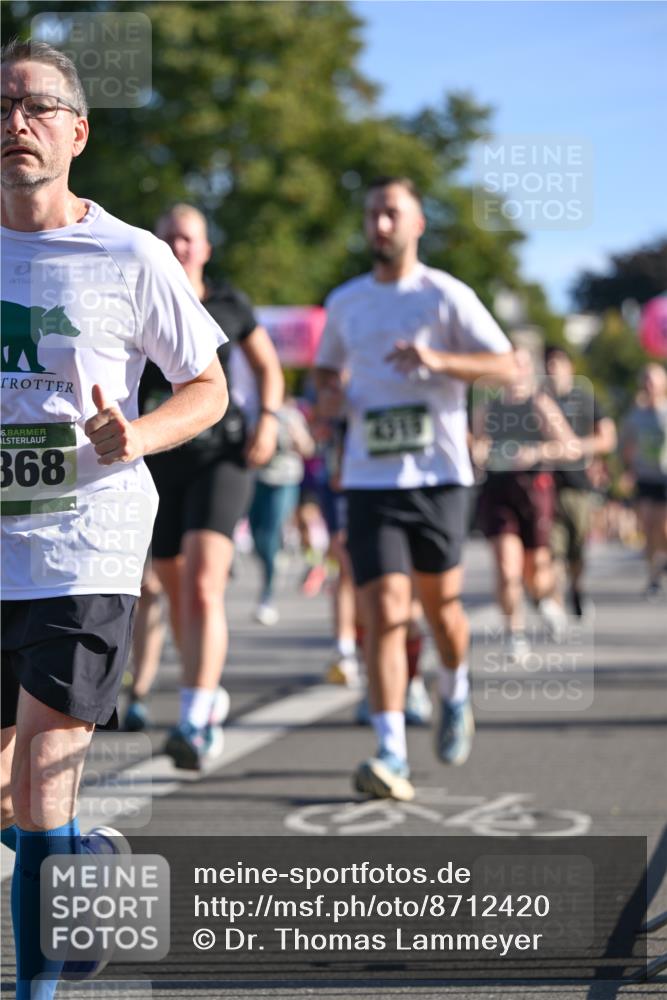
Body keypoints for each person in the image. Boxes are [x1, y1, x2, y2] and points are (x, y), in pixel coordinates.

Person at [0, 39, 228, 998]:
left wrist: (132, 434)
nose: (16, 121)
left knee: (42, 774)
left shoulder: (131, 256)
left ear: (78, 132)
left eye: (38, 106)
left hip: (82, 548)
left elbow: (208, 387)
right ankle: (87, 868)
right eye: (2, 105)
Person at [315, 176, 516, 801]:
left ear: (417, 223)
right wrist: (329, 398)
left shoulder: (445, 295)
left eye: (391, 213)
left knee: (442, 612)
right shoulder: (346, 301)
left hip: (438, 477)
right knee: (382, 615)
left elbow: (507, 364)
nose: (380, 225)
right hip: (372, 478)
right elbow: (325, 369)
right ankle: (390, 750)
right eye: (373, 213)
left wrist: (438, 362)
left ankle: (455, 690)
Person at [129, 204, 284, 761]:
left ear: (206, 248)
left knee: (201, 585)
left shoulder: (228, 303)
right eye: (169, 235)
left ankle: (195, 720)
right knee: (172, 587)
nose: (180, 244)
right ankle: (206, 689)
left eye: (189, 237)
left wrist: (270, 419)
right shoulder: (136, 294)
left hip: (222, 456)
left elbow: (268, 367)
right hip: (160, 459)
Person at [473, 346, 580, 658]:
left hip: (534, 492)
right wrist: (478, 456)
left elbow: (571, 448)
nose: (515, 371)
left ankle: (545, 598)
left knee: (537, 571)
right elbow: (478, 447)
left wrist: (538, 452)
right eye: (510, 365)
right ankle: (514, 634)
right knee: (507, 567)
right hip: (498, 491)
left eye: (521, 365)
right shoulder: (487, 408)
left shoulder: (540, 405)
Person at [544, 345, 617, 615]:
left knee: (576, 548)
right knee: (553, 550)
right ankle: (555, 603)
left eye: (558, 363)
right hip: (546, 486)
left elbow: (608, 438)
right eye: (548, 364)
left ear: (569, 367)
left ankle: (576, 588)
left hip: (578, 487)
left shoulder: (585, 399)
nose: (553, 370)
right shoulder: (539, 400)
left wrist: (576, 447)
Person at [248, 396, 315, 624]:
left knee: (270, 534)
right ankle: (273, 559)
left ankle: (267, 596)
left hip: (284, 481)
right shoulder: (253, 412)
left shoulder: (291, 416)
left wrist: (297, 437)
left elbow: (308, 448)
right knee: (257, 537)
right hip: (257, 479)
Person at [620, 363, 667, 599]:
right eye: (646, 379)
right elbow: (627, 445)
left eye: (654, 379)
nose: (650, 384)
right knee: (649, 526)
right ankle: (653, 577)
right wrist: (628, 471)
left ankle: (663, 559)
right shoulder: (635, 416)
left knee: (664, 528)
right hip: (646, 476)